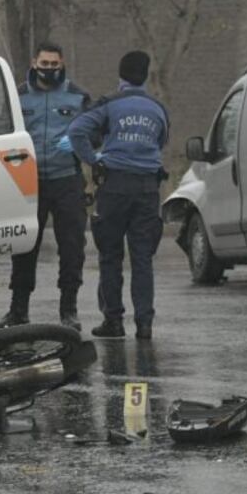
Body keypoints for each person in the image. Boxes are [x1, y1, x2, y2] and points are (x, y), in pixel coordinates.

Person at [65, 51, 169, 340]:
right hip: (148, 188)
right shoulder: (158, 108)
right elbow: (161, 141)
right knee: (142, 258)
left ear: (121, 75)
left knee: (110, 256)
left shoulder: (110, 104)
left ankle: (113, 320)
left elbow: (76, 131)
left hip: (114, 187)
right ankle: (145, 324)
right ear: (145, 76)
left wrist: (93, 160)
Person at [0, 42, 91, 331]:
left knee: (72, 246)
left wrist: (82, 142)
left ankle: (68, 310)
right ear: (34, 63)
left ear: (62, 64)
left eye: (54, 65)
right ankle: (18, 310)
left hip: (67, 180)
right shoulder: (18, 96)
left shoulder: (78, 96)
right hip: (28, 183)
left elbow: (96, 132)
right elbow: (1, 133)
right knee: (24, 246)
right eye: (44, 64)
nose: (49, 70)